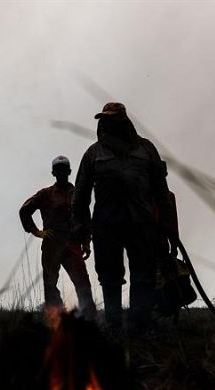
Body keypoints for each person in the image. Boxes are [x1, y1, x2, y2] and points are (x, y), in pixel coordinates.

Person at [72, 103, 175, 330]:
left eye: (112, 119)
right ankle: (114, 323)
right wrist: (81, 227)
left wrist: (165, 224)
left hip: (142, 224)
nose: (107, 123)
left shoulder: (146, 149)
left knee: (144, 274)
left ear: (124, 120)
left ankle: (141, 323)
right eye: (104, 119)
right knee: (109, 276)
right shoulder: (93, 153)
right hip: (106, 226)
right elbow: (80, 195)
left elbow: (161, 190)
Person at [19, 156, 97, 319]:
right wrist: (36, 231)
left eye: (64, 169)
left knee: (82, 280)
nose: (61, 172)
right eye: (58, 169)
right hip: (52, 243)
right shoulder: (45, 194)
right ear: (54, 172)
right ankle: (56, 316)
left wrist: (86, 243)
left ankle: (89, 317)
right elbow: (25, 210)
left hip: (73, 242)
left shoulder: (77, 194)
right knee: (50, 281)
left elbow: (85, 219)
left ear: (69, 171)